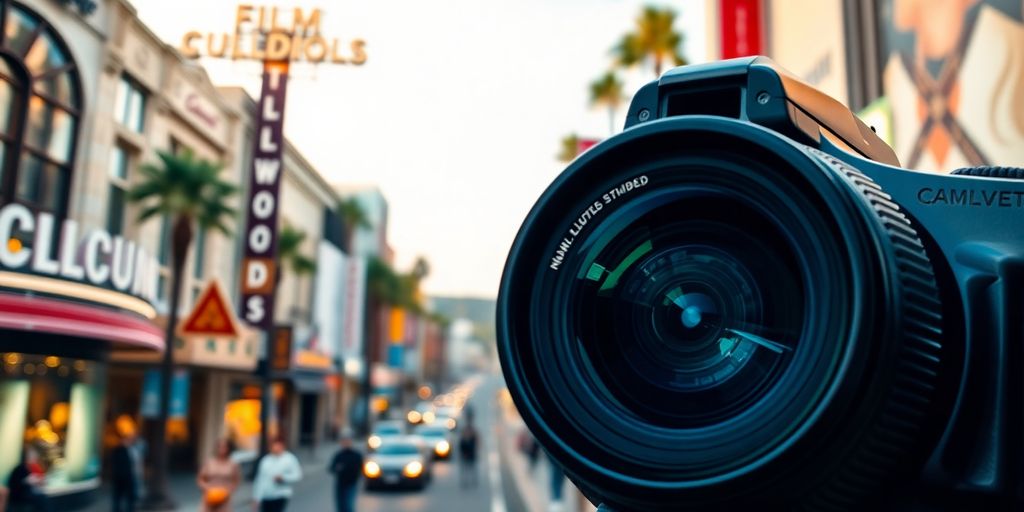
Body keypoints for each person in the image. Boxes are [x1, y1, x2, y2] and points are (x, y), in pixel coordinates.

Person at [253, 439, 302, 512]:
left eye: (278, 446)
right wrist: (256, 497)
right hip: (267, 495)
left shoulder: (289, 459)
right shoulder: (266, 460)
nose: (276, 448)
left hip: (281, 494)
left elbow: (297, 475)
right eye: (274, 446)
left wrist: (284, 478)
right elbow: (260, 480)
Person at [197, 439, 241, 512]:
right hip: (209, 498)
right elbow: (200, 479)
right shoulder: (209, 462)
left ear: (228, 449)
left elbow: (236, 480)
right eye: (219, 447)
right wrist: (206, 488)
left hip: (224, 499)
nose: (221, 449)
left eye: (224, 447)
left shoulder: (233, 464)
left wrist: (229, 491)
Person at [5, 446, 50, 512]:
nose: (34, 457)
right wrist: (28, 481)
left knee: (42, 497)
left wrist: (39, 481)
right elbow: (17, 484)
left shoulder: (31, 467)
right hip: (18, 496)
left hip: (26, 493)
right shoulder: (20, 468)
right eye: (32, 455)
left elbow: (37, 479)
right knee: (41, 499)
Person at [328, 431, 363, 512]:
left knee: (348, 506)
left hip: (351, 483)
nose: (346, 443)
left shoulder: (356, 455)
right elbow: (331, 468)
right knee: (340, 506)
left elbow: (361, 468)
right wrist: (337, 469)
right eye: (344, 441)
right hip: (340, 484)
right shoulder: (339, 455)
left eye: (348, 441)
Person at [111, 433, 141, 512]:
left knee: (129, 495)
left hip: (128, 476)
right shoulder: (119, 450)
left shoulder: (131, 449)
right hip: (122, 477)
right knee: (119, 495)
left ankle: (129, 509)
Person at [457, 421, 479, 488]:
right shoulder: (463, 440)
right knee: (464, 470)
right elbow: (460, 448)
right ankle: (465, 482)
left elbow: (475, 446)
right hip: (464, 457)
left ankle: (474, 480)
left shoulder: (473, 439)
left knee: (472, 469)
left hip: (471, 456)